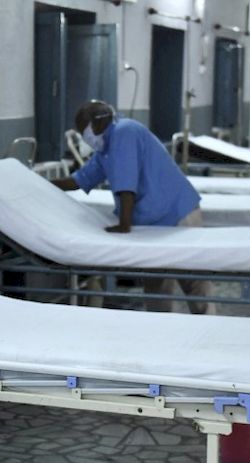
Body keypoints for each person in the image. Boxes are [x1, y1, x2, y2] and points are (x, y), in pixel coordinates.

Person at [51, 100, 211, 314]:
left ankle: (210, 331)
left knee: (194, 284)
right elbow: (80, 179)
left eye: (84, 132)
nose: (85, 138)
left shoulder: (124, 133)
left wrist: (123, 225)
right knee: (155, 287)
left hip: (177, 213)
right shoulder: (105, 150)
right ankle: (160, 336)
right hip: (152, 225)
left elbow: (127, 185)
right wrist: (42, 183)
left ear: (98, 123)